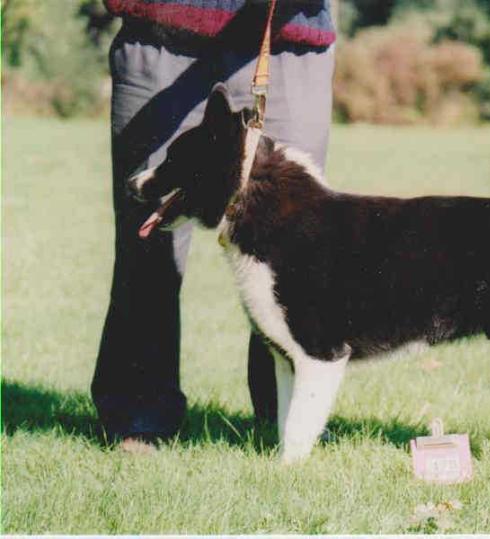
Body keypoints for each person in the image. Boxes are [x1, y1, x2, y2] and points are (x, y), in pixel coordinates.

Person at [92, 0, 336, 446]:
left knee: (296, 251)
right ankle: (138, 418)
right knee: (147, 239)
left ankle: (285, 423)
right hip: (162, 30)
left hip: (288, 41)